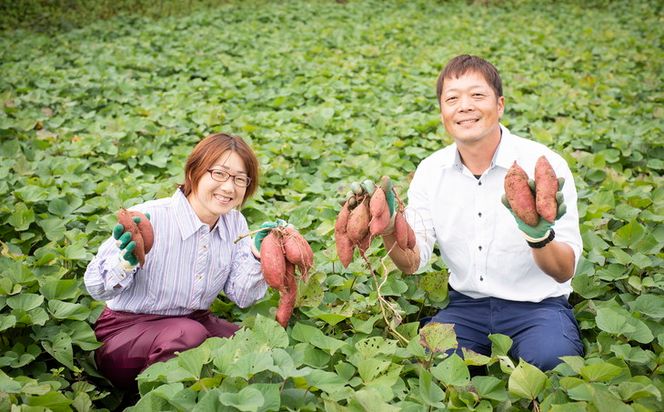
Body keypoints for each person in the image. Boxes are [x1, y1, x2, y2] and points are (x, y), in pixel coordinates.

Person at [362, 55, 584, 370]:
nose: (464, 106)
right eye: (452, 99)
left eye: (477, 95)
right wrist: (389, 227)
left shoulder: (543, 165)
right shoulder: (431, 171)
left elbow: (564, 271)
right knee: (431, 363)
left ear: (501, 105)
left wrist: (538, 236)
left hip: (538, 308)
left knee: (553, 362)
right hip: (466, 308)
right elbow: (412, 262)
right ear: (442, 113)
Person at [84, 132, 273, 389]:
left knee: (250, 345)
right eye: (219, 173)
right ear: (194, 171)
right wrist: (124, 262)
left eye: (240, 179)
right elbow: (95, 287)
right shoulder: (151, 216)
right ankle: (151, 400)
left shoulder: (236, 223)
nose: (229, 187)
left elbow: (243, 297)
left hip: (193, 322)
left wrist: (255, 254)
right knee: (187, 334)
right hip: (125, 334)